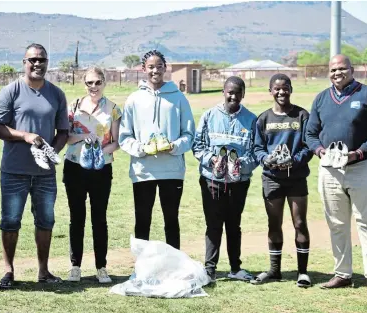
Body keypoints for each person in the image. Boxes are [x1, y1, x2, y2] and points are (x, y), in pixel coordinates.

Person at [306, 54, 367, 297]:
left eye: (342, 68)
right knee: (337, 224)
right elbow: (310, 133)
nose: (337, 73)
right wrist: (320, 151)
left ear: (352, 70)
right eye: (333, 69)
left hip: (362, 167)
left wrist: (358, 153)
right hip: (330, 170)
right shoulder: (322, 98)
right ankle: (342, 273)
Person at [0, 43, 69, 287]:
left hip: (45, 174)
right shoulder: (10, 91)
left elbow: (63, 131)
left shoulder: (56, 94)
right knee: (11, 220)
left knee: (45, 221)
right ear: (24, 62)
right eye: (32, 60)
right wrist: (25, 136)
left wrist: (50, 152)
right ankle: (8, 271)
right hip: (14, 171)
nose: (37, 64)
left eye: (42, 60)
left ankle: (43, 272)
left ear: (47, 62)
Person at [119, 50, 195, 251]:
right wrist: (141, 149)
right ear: (143, 69)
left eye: (159, 66)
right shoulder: (134, 99)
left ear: (165, 68)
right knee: (142, 220)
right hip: (143, 171)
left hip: (172, 170)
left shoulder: (178, 98)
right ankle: (141, 267)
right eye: (150, 67)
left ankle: (176, 267)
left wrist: (174, 146)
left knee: (171, 220)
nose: (155, 70)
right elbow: (124, 137)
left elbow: (189, 134)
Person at [192, 76, 258, 284]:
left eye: (237, 92)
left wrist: (240, 164)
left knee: (233, 225)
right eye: (230, 92)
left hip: (238, 183)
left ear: (243, 94)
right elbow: (197, 146)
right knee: (213, 225)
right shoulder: (209, 116)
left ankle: (235, 268)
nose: (233, 96)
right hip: (212, 180)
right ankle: (210, 269)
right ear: (223, 92)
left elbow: (257, 152)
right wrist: (213, 161)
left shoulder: (251, 119)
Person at [252, 74, 313, 287]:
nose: (281, 92)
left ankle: (303, 272)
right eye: (276, 88)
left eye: (285, 88)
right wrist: (266, 160)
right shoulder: (263, 119)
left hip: (296, 178)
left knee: (299, 222)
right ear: (270, 91)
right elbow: (257, 148)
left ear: (291, 89)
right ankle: (275, 271)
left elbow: (309, 145)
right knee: (274, 223)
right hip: (272, 180)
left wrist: (294, 161)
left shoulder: (302, 115)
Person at [63, 67, 121, 283]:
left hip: (101, 169)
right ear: (84, 84)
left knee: (99, 218)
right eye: (89, 83)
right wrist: (84, 136)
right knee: (76, 218)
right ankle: (75, 267)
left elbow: (116, 142)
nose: (93, 87)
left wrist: (99, 152)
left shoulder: (113, 109)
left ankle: (101, 267)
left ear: (104, 82)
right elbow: (66, 138)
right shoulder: (73, 107)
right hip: (75, 168)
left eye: (97, 82)